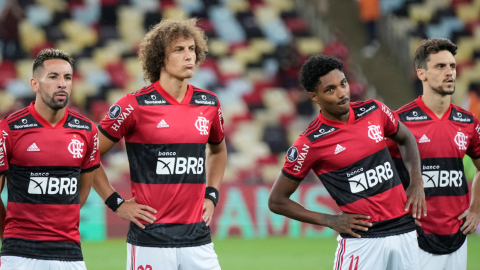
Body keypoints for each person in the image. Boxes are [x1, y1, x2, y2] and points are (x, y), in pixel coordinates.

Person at [268, 54, 426, 270]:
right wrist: (329, 220)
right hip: (362, 241)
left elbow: (406, 138)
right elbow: (277, 200)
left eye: (343, 84)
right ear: (315, 97)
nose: (342, 93)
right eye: (330, 90)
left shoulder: (375, 111)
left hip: (405, 232)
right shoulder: (309, 143)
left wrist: (416, 180)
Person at [92, 18, 227, 270]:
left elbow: (218, 152)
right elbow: (88, 155)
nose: (189, 56)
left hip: (198, 239)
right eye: (178, 50)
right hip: (150, 240)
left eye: (191, 49)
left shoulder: (209, 103)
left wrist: (212, 194)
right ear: (159, 58)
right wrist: (116, 203)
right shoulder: (133, 105)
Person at [0, 49, 100, 269]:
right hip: (19, 255)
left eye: (67, 77)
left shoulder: (87, 130)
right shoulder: (9, 129)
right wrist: (7, 232)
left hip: (70, 254)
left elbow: (80, 195)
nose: (62, 83)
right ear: (35, 84)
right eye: (53, 77)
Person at [388, 38, 480, 270]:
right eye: (440, 66)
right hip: (414, 236)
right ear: (422, 74)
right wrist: (397, 214)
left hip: (457, 235)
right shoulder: (400, 121)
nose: (450, 72)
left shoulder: (467, 122)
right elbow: (379, 172)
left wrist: (476, 209)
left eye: (452, 66)